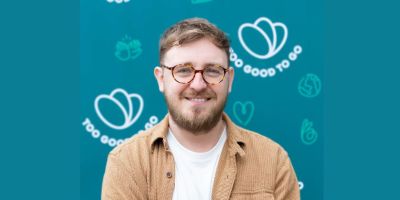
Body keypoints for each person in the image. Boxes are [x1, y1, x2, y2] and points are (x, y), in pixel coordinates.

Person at [102, 17, 300, 200]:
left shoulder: (273, 161)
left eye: (212, 71)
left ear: (229, 79)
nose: (198, 84)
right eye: (183, 70)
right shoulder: (127, 162)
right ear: (161, 78)